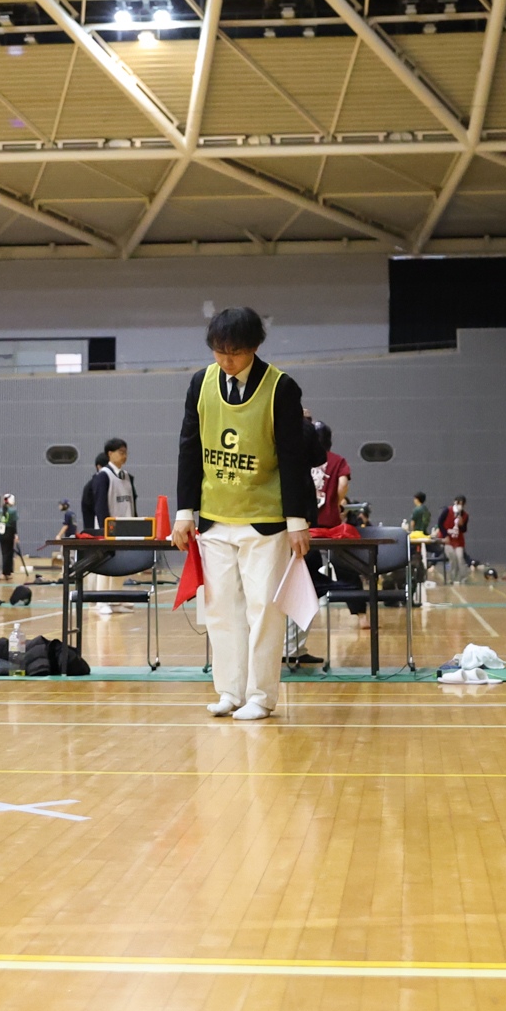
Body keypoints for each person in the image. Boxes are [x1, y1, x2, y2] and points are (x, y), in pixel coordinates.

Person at [172, 305, 315, 721]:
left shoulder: (281, 388)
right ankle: (230, 691)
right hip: (215, 517)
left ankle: (261, 696)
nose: (226, 360)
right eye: (219, 351)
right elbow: (189, 448)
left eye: (234, 352)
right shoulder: (200, 383)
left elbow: (292, 457)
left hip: (265, 519)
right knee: (220, 609)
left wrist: (297, 521)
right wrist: (184, 512)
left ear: (254, 347)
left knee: (264, 609)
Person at [82, 439, 135, 534]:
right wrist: (106, 531)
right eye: (121, 452)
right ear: (110, 454)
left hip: (128, 529)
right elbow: (100, 507)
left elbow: (132, 505)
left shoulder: (127, 476)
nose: (124, 456)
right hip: (111, 532)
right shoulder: (103, 476)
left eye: (126, 453)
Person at [435, 496, 469, 585]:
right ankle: (452, 578)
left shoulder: (465, 515)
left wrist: (461, 525)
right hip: (448, 540)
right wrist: (445, 536)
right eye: (458, 503)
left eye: (462, 504)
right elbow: (440, 523)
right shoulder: (447, 511)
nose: (460, 506)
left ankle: (463, 578)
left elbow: (464, 529)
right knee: (452, 557)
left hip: (458, 541)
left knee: (460, 557)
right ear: (455, 502)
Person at [0, 493, 19, 579]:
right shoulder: (13, 511)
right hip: (9, 532)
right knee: (9, 553)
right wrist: (16, 534)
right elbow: (14, 524)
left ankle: (7, 572)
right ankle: (6, 572)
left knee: (4, 552)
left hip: (1, 533)